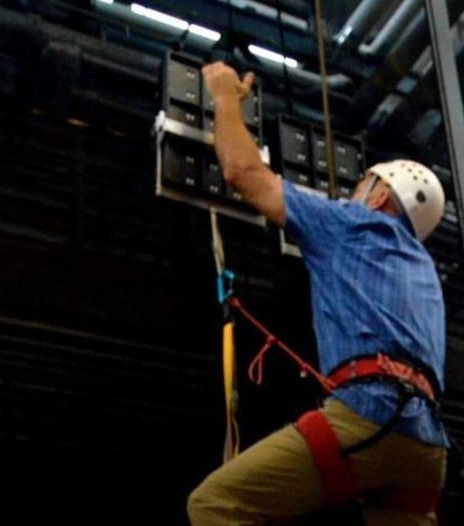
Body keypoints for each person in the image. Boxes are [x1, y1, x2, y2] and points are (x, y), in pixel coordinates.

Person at [187, 61, 448, 526]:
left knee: (214, 504)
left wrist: (224, 98)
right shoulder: (425, 273)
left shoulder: (354, 225)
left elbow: (242, 171)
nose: (351, 193)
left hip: (369, 415)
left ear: (380, 198)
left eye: (360, 184)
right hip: (426, 447)